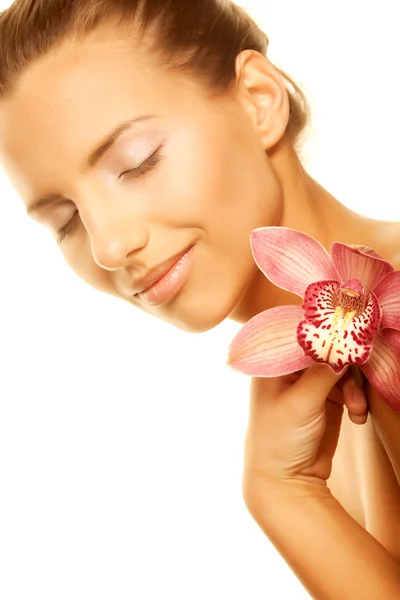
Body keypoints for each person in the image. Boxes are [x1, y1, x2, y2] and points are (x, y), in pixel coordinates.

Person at [0, 1, 399, 597]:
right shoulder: (312, 390)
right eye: (65, 221)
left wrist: (284, 498)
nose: (109, 244)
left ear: (259, 101)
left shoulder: (387, 320)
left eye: (137, 164)